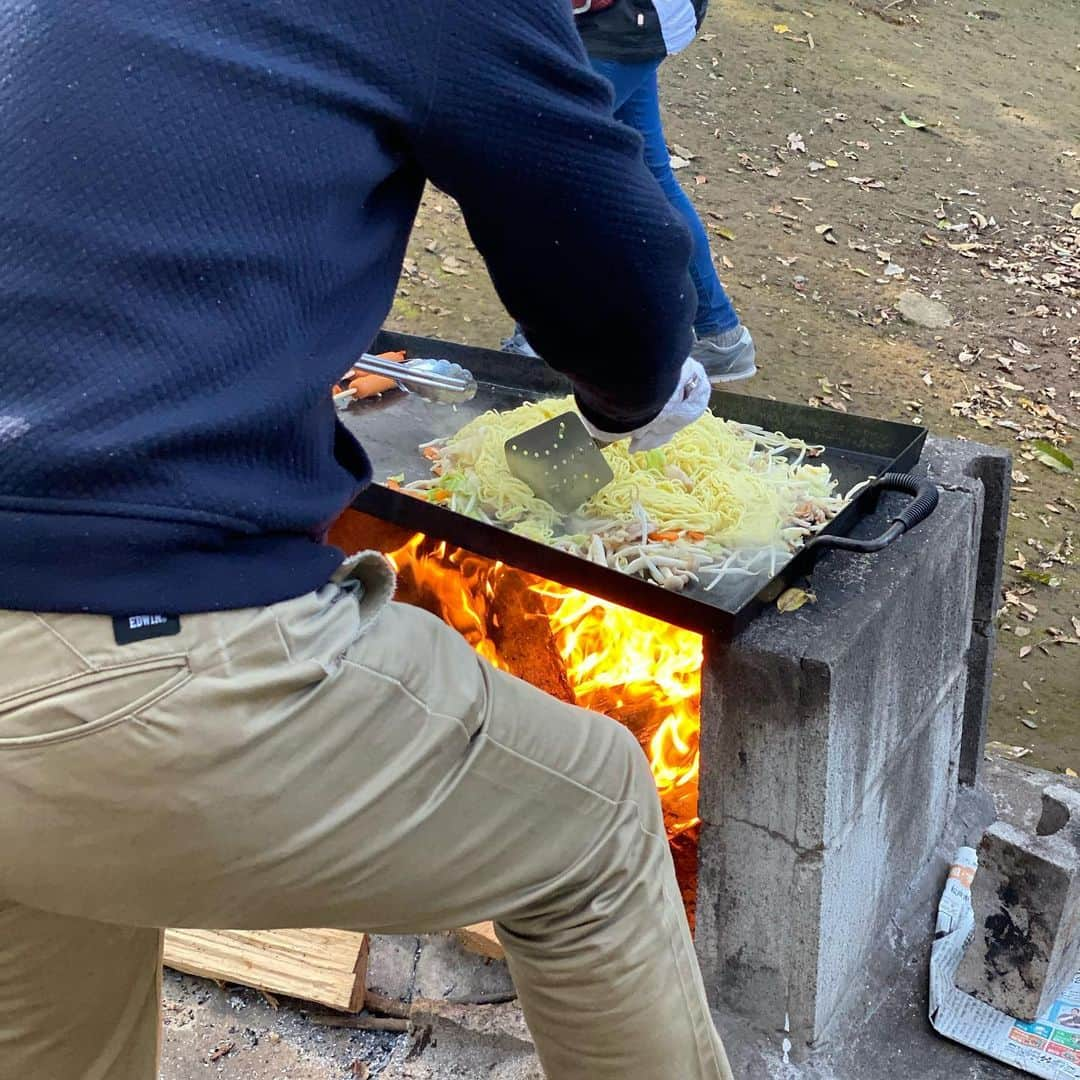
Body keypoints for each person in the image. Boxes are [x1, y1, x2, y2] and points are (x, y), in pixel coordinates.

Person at [0, 2, 734, 1078]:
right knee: (600, 820)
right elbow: (614, 273)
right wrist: (636, 395)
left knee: (52, 909)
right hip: (134, 671)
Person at [503, 0, 756, 383]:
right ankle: (720, 332)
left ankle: (542, 345)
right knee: (648, 176)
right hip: (613, 23)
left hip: (629, 19)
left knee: (551, 168)